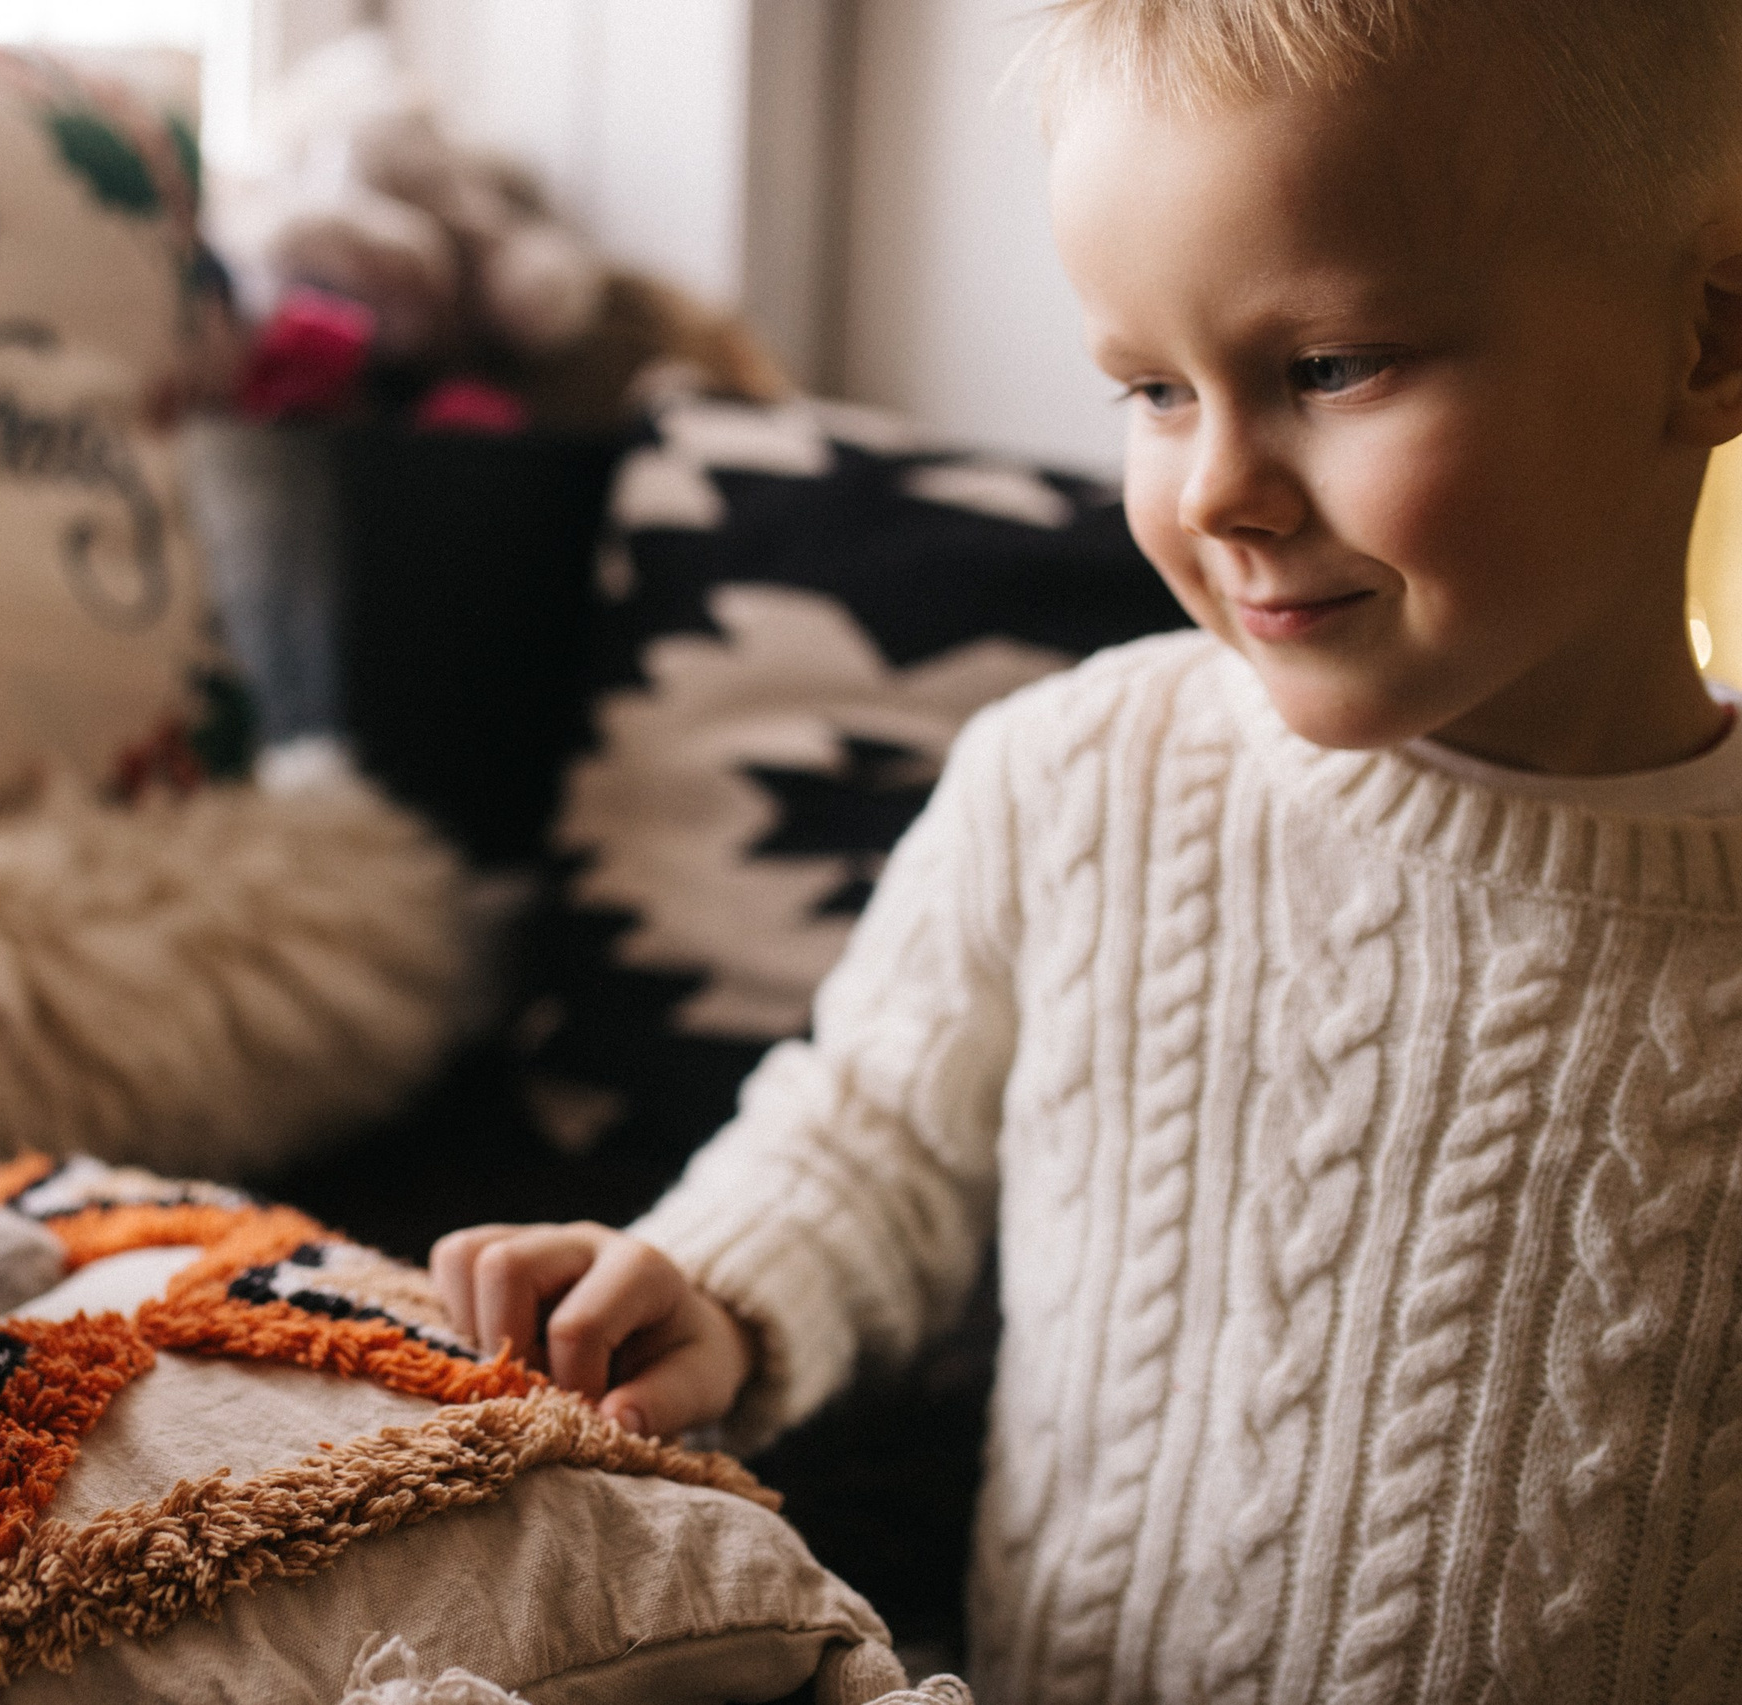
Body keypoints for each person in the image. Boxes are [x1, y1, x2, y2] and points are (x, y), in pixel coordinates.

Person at [430, 3, 1742, 1699]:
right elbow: (870, 1130)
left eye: (1328, 369)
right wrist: (720, 1288)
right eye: (1149, 388)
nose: (1217, 488)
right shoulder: (1078, 780)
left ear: (1708, 335)